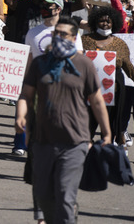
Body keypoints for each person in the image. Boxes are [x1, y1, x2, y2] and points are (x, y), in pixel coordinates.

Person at [16, 16, 111, 224]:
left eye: (63, 34)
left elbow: (96, 101)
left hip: (74, 142)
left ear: (74, 38)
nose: (58, 37)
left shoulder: (84, 64)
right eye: (55, 33)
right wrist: (21, 115)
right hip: (43, 141)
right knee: (43, 196)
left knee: (65, 195)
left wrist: (106, 133)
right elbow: (26, 95)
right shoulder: (40, 64)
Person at [82, 6, 134, 145]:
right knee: (86, 126)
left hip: (112, 91)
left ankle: (106, 154)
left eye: (108, 22)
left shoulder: (119, 44)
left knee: (109, 126)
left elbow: (128, 66)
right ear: (95, 22)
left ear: (113, 23)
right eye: (102, 21)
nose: (105, 24)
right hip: (88, 91)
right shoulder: (85, 40)